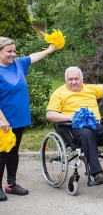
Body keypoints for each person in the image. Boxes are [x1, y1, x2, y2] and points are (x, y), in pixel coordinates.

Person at [46, 67, 103, 185]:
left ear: (82, 79)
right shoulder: (59, 93)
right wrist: (71, 117)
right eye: (70, 79)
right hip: (73, 128)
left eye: (76, 79)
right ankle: (97, 173)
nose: (73, 82)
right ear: (65, 80)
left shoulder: (90, 88)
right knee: (86, 134)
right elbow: (50, 114)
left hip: (95, 126)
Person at [0, 36, 56, 201]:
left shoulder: (18, 64)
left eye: (14, 51)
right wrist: (2, 120)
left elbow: (33, 57)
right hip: (3, 120)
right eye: (9, 51)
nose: (13, 54)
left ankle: (11, 185)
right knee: (1, 153)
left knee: (13, 152)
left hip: (18, 117)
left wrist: (49, 50)